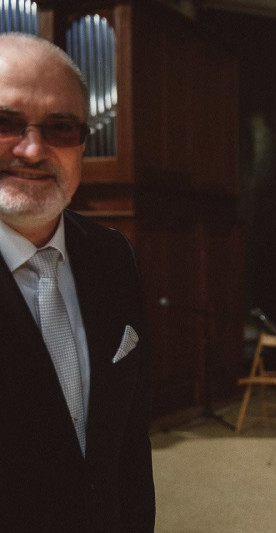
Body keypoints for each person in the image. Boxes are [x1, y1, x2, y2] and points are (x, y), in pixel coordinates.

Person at [0, 34, 155, 531]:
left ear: (84, 143)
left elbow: (129, 443)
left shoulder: (113, 255)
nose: (33, 149)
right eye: (5, 123)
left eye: (60, 128)